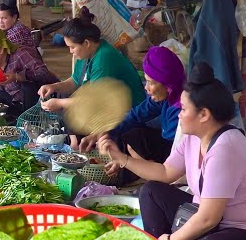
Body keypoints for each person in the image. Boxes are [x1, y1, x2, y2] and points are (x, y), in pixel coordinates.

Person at [102, 63, 246, 240]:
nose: (178, 115)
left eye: (183, 109)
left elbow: (208, 218)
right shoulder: (192, 138)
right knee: (151, 191)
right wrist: (122, 158)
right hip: (219, 222)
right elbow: (165, 172)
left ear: (204, 115)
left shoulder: (225, 148)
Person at [79, 46, 185, 183]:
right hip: (166, 149)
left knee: (136, 138)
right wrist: (100, 132)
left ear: (167, 84)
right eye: (146, 81)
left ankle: (153, 178)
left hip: (176, 164)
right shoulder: (166, 96)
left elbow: (176, 155)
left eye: (151, 82)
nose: (146, 88)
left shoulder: (181, 112)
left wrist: (124, 160)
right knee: (127, 133)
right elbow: (135, 115)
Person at [39, 11, 146, 112]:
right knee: (59, 96)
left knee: (68, 113)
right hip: (105, 105)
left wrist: (60, 104)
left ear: (86, 43)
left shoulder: (104, 57)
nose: (71, 51)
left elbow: (93, 101)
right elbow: (75, 81)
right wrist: (54, 87)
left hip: (129, 113)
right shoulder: (87, 53)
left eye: (72, 47)